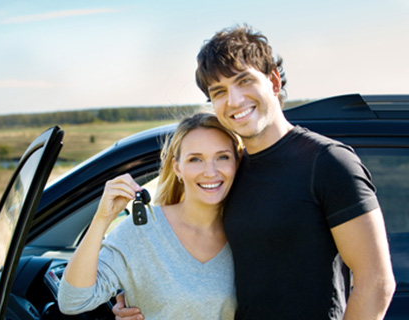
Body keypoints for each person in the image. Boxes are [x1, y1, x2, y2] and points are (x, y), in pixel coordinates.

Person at [113, 24, 396, 320]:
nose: (234, 100)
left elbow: (376, 282)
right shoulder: (227, 173)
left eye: (244, 81)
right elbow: (190, 249)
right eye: (219, 91)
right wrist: (134, 295)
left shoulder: (327, 162)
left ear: (273, 81)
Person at [58, 112, 243, 319]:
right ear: (178, 168)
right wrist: (102, 219)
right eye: (195, 159)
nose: (210, 171)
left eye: (222, 157)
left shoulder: (250, 234)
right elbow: (73, 301)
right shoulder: (142, 231)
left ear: (237, 162)